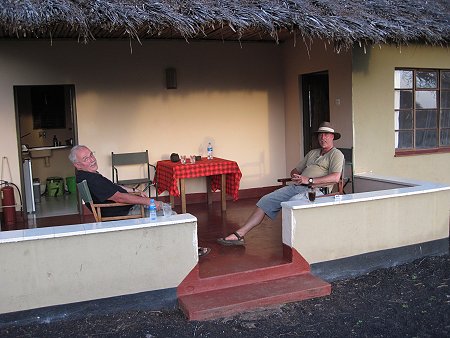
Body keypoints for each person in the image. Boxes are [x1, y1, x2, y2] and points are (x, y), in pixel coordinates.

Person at [69, 145, 210, 257]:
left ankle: (176, 247)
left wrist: (131, 190)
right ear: (78, 164)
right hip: (123, 210)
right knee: (168, 214)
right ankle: (187, 250)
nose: (92, 159)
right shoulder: (92, 179)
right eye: (86, 159)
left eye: (91, 155)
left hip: (122, 207)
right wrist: (150, 202)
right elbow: (119, 197)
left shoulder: (86, 175)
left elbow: (112, 187)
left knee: (166, 212)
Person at [217, 122, 344, 246]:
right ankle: (239, 235)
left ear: (332, 137)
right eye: (321, 134)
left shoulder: (336, 154)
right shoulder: (312, 153)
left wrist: (309, 180)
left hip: (316, 191)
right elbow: (295, 170)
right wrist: (296, 176)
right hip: (298, 186)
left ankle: (295, 245)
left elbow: (336, 177)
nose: (323, 137)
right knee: (265, 200)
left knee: (292, 203)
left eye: (326, 134)